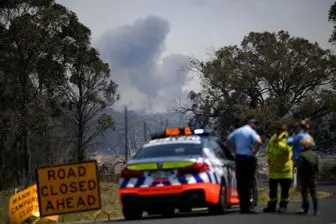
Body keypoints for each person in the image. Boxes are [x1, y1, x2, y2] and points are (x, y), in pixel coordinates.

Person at [227, 117, 262, 214]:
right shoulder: (251, 131)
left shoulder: (238, 131)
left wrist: (235, 150)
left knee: (241, 183)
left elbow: (229, 140)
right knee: (250, 181)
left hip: (239, 158)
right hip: (248, 158)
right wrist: (254, 151)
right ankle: (251, 204)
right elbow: (259, 141)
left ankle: (243, 206)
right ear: (252, 124)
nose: (255, 126)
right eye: (255, 124)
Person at [263, 123, 293, 213]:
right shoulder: (273, 138)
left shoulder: (288, 139)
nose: (278, 131)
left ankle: (283, 207)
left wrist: (279, 143)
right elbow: (268, 149)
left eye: (281, 129)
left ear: (284, 130)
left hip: (285, 171)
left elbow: (288, 152)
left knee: (284, 191)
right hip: (273, 170)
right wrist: (268, 158)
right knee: (272, 191)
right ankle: (271, 207)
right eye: (277, 129)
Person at [287, 119, 314, 190]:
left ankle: (298, 188)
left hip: (298, 158)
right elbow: (313, 144)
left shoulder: (299, 136)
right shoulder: (309, 136)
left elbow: (289, 142)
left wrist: (290, 137)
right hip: (307, 158)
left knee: (293, 172)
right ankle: (305, 187)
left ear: (300, 127)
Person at [296, 136, 319, 215]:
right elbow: (317, 167)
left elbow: (299, 167)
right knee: (314, 193)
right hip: (312, 177)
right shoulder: (315, 154)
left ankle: (306, 210)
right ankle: (316, 211)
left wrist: (299, 179)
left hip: (304, 177)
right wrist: (316, 176)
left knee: (305, 193)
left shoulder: (301, 155)